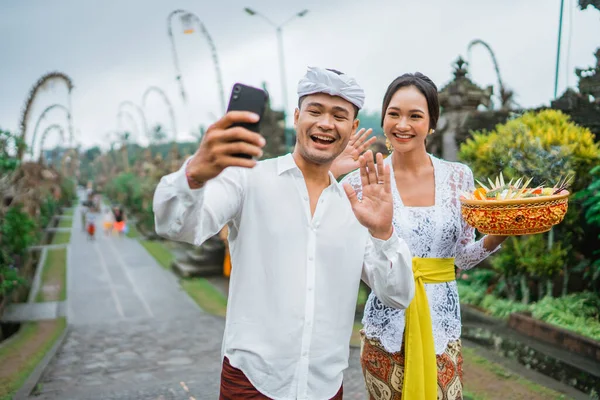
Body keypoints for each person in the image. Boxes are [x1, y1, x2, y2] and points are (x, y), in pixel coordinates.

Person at [153, 67, 415, 400]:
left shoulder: (357, 208)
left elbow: (397, 295)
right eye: (315, 111)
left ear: (352, 128)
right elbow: (178, 226)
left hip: (324, 385)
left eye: (339, 115)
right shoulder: (248, 178)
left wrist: (384, 232)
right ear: (296, 116)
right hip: (252, 381)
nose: (325, 123)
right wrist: (194, 175)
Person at [336, 73, 507, 400]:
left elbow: (458, 261)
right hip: (384, 333)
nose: (402, 124)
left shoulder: (458, 177)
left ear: (431, 123)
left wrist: (500, 234)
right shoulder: (361, 183)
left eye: (415, 115)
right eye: (394, 113)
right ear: (384, 117)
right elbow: (354, 260)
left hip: (442, 330)